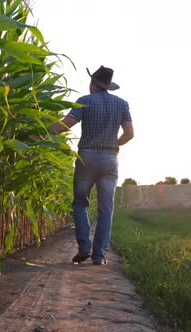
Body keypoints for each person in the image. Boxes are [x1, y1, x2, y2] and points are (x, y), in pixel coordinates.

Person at [48, 66, 134, 265]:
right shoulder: (122, 104)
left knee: (80, 203)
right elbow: (129, 134)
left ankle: (84, 247)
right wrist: (114, 144)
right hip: (110, 159)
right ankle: (99, 256)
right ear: (108, 86)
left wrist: (38, 132)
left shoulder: (84, 101)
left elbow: (64, 125)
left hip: (87, 157)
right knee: (106, 208)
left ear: (93, 83)